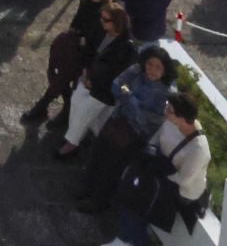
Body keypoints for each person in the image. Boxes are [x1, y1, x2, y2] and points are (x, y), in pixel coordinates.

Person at [76, 45, 177, 214]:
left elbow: (150, 119)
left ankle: (99, 200)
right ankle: (87, 188)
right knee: (97, 153)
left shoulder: (165, 93)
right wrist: (130, 97)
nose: (152, 70)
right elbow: (118, 85)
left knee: (112, 166)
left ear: (165, 70)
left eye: (158, 67)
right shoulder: (137, 72)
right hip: (118, 120)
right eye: (150, 64)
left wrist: (129, 99)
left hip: (134, 134)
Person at [108, 95, 211, 246]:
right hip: (160, 169)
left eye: (169, 110)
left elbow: (183, 179)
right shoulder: (171, 122)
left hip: (179, 188)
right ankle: (126, 238)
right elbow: (156, 140)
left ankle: (127, 240)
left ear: (182, 118)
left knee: (142, 201)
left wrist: (153, 178)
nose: (165, 111)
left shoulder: (198, 150)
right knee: (130, 189)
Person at [24, 0, 113, 125]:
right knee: (58, 72)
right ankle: (63, 107)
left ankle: (44, 105)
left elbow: (101, 35)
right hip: (76, 46)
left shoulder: (106, 11)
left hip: (90, 54)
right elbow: (76, 22)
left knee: (64, 76)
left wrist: (84, 40)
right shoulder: (85, 2)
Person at [58, 2, 136, 157]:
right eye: (101, 18)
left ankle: (72, 143)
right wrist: (86, 72)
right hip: (90, 78)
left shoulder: (127, 47)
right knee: (76, 100)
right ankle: (75, 136)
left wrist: (94, 82)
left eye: (106, 20)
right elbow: (89, 51)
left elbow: (119, 74)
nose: (102, 22)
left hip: (104, 90)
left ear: (116, 23)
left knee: (84, 112)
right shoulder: (100, 31)